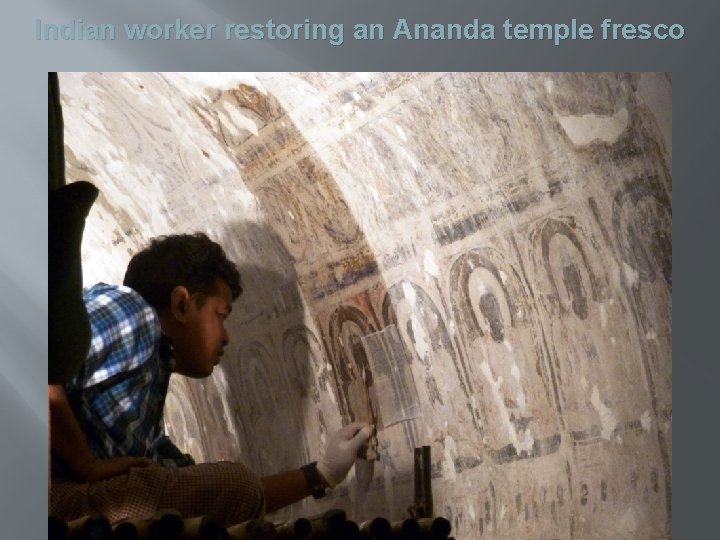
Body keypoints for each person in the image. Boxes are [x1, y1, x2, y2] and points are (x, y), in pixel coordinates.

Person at [49, 232, 372, 525]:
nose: (227, 337)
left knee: (222, 492)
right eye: (221, 315)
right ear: (181, 304)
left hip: (75, 504)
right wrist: (86, 465)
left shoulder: (146, 416)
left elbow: (221, 495)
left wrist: (323, 474)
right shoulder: (132, 312)